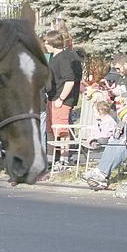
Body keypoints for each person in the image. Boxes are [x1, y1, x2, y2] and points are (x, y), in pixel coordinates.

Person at [44, 29, 83, 163]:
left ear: (52, 43)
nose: (44, 44)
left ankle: (64, 159)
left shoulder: (64, 58)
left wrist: (61, 99)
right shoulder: (53, 58)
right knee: (50, 130)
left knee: (62, 131)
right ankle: (50, 159)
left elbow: (70, 81)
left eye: (46, 42)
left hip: (61, 100)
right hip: (51, 98)